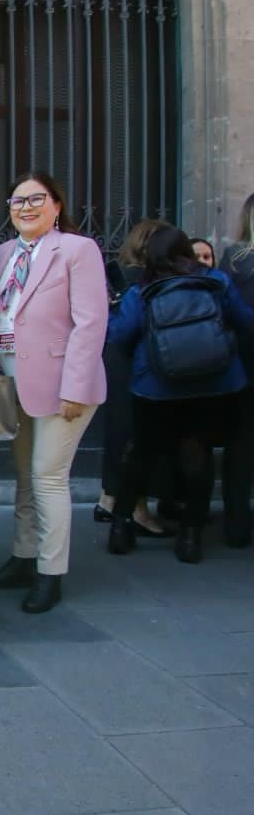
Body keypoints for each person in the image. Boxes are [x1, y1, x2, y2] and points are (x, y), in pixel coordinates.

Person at [0, 174, 109, 613]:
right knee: (25, 476)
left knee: (47, 475)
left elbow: (91, 323)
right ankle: (23, 555)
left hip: (62, 385)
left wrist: (75, 387)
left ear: (56, 205)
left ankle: (50, 573)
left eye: (36, 199)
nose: (26, 207)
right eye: (18, 201)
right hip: (13, 383)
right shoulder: (1, 254)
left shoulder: (77, 249)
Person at [106, 224, 254, 563]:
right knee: (196, 455)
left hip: (156, 387)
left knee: (141, 454)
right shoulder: (217, 281)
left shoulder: (142, 290)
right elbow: (245, 322)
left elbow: (121, 335)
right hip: (213, 383)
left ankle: (121, 526)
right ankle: (190, 537)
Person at [95, 219, 171, 535]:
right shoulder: (147, 280)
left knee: (119, 430)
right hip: (137, 360)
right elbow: (127, 328)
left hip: (113, 359)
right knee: (136, 436)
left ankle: (109, 499)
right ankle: (136, 509)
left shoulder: (119, 274)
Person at [219, 194, 254, 546]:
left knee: (240, 445)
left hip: (242, 362)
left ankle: (236, 524)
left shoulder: (234, 259)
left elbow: (223, 309)